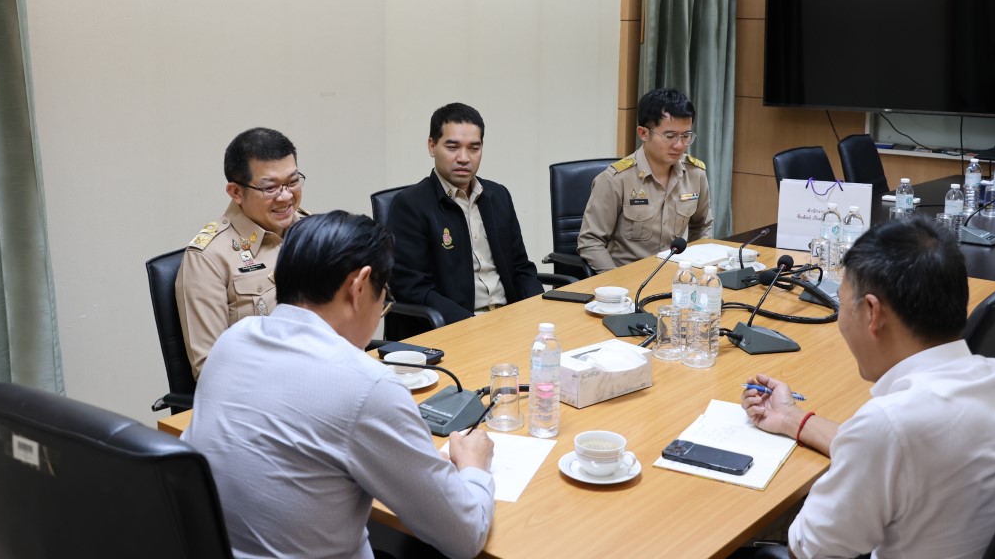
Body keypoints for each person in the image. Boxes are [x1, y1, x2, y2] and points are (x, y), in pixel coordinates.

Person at [741, 217, 995, 559]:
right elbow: (891, 450)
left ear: (872, 313)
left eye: (842, 304)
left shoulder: (888, 425)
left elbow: (809, 550)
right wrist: (792, 419)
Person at [183, 211, 495, 559]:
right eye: (383, 299)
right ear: (359, 286)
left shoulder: (232, 341)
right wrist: (474, 466)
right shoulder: (367, 385)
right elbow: (465, 536)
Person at [385, 103, 542, 337]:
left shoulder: (498, 196)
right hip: (454, 329)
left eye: (474, 148)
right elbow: (412, 288)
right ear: (432, 146)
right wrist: (471, 325)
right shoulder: (410, 205)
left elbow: (521, 267)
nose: (464, 158)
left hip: (509, 321)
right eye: (453, 147)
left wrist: (539, 310)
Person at [175, 127, 308, 378]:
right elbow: (211, 370)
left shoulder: (313, 231)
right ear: (236, 192)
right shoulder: (209, 258)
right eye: (270, 188)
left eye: (292, 182)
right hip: (266, 388)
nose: (286, 197)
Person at [577, 87, 712, 272]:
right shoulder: (615, 180)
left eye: (686, 136)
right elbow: (590, 241)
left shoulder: (695, 174)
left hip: (674, 276)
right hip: (627, 278)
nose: (679, 145)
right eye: (670, 136)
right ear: (643, 133)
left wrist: (696, 269)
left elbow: (702, 226)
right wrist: (614, 281)